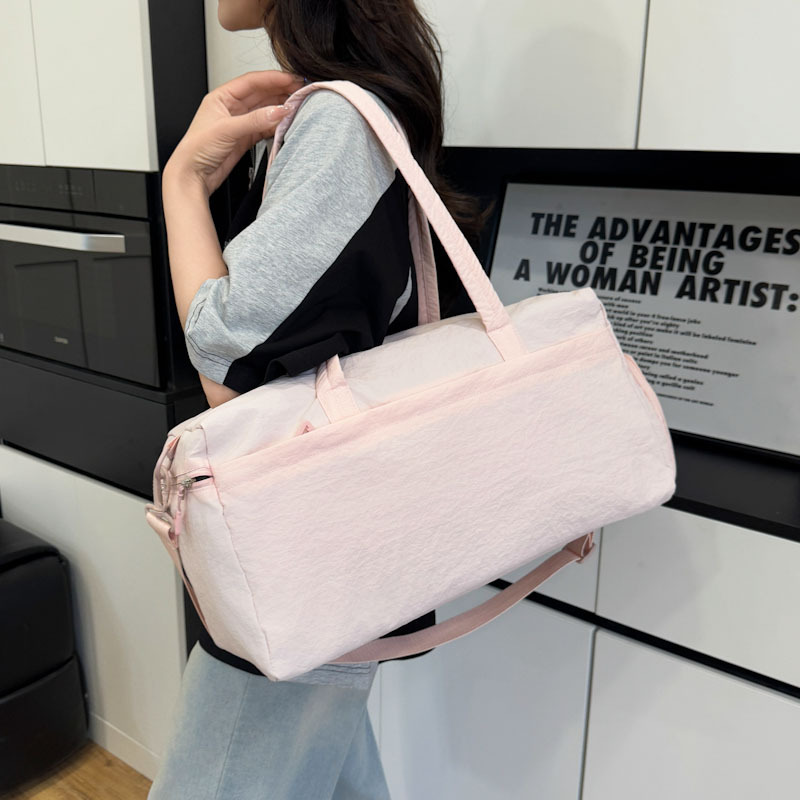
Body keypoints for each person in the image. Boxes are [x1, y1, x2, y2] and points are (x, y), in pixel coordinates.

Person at [148, 1, 488, 797]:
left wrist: (184, 183)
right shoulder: (339, 110)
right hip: (331, 549)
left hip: (301, 553)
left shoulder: (336, 121)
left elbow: (232, 371)